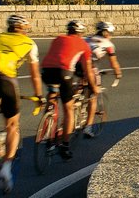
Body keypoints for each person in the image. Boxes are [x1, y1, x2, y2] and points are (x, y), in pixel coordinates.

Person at [0, 14, 43, 192]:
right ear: (24, 29)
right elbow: (35, 75)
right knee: (12, 125)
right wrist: (39, 96)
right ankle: (6, 168)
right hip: (7, 81)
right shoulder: (29, 43)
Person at [39, 20, 100, 160]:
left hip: (46, 72)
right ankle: (65, 146)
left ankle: (48, 122)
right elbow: (88, 70)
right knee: (68, 109)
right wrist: (93, 87)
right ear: (80, 33)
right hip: (64, 73)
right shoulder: (84, 45)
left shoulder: (58, 39)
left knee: (53, 96)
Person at [82, 21, 123, 138]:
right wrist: (118, 73)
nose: (111, 36)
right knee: (93, 96)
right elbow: (114, 62)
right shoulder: (108, 45)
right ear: (106, 33)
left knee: (82, 84)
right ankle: (88, 127)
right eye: (111, 33)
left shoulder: (87, 38)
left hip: (76, 66)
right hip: (90, 68)